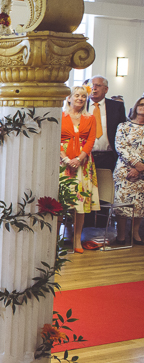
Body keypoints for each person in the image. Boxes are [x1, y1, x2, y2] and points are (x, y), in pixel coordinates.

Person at [61, 85, 99, 254]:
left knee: (80, 203)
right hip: (63, 163)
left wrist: (79, 158)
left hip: (83, 164)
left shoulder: (90, 118)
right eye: (76, 95)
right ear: (69, 98)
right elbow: (54, 138)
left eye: (83, 96)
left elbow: (91, 140)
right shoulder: (60, 116)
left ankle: (77, 239)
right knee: (61, 201)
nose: (80, 99)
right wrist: (66, 158)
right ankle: (55, 239)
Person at [113, 97, 144, 245]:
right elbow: (120, 147)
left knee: (140, 204)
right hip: (124, 171)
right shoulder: (123, 126)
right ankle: (121, 235)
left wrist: (140, 169)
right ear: (136, 106)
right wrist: (135, 164)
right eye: (141, 104)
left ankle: (135, 233)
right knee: (122, 203)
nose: (143, 107)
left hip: (142, 173)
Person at [88, 75, 128, 172]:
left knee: (107, 185)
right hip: (86, 156)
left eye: (98, 85)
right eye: (92, 85)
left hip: (109, 157)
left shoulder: (116, 106)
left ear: (106, 89)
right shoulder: (81, 105)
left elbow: (123, 132)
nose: (94, 88)